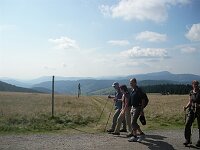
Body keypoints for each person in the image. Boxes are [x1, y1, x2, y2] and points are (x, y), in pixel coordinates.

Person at [128, 78, 146, 142]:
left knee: (133, 122)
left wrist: (141, 110)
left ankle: (141, 134)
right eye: (130, 83)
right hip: (133, 108)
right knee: (133, 123)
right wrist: (130, 107)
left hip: (138, 107)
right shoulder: (132, 90)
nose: (130, 84)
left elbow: (143, 100)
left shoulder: (139, 90)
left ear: (135, 83)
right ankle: (135, 136)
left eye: (132, 83)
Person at [183, 80, 200, 147]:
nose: (195, 85)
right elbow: (190, 102)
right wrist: (186, 107)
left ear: (198, 85)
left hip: (199, 111)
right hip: (192, 110)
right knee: (187, 124)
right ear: (192, 85)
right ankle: (187, 139)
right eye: (194, 84)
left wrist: (199, 105)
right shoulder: (191, 92)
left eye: (196, 84)